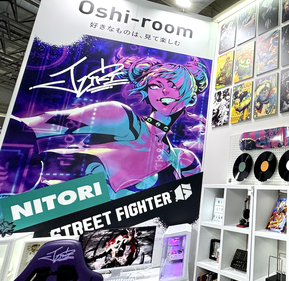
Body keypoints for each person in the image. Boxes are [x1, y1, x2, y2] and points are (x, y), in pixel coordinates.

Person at [1, 52, 209, 199]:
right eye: (155, 85)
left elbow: (192, 200)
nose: (163, 91)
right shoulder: (121, 118)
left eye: (174, 86)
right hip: (55, 214)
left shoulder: (184, 160)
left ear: (191, 99)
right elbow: (32, 127)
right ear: (146, 90)